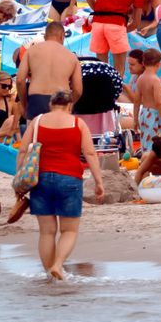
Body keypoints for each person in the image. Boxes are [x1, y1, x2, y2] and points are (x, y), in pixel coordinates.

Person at [16, 89, 106, 279]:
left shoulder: (37, 121)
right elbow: (90, 154)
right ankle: (57, 265)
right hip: (70, 178)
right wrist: (98, 181)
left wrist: (19, 180)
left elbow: (23, 151)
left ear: (51, 104)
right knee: (69, 230)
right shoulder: (77, 123)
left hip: (41, 179)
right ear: (69, 105)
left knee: (47, 232)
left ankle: (50, 274)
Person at [85, 0, 148, 74]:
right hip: (116, 25)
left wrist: (98, 12)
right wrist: (124, 29)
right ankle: (116, 93)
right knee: (118, 72)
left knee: (101, 69)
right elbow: (136, 23)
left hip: (98, 25)